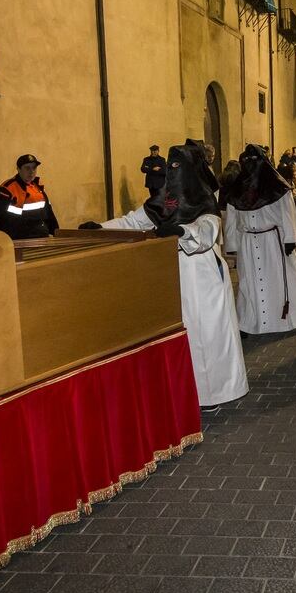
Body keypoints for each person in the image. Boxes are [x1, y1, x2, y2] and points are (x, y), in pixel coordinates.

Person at [81, 141, 247, 408]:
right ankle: (183, 392)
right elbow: (133, 221)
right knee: (181, 334)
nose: (172, 171)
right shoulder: (164, 199)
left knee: (206, 335)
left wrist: (182, 232)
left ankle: (213, 393)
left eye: (178, 166)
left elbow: (207, 231)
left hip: (201, 276)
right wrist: (100, 228)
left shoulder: (203, 198)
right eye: (171, 167)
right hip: (169, 274)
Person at [223, 145, 296, 335]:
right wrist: (232, 244)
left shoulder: (277, 186)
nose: (250, 165)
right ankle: (248, 321)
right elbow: (232, 218)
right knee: (248, 282)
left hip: (273, 241)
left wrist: (290, 238)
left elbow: (287, 213)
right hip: (247, 241)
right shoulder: (237, 188)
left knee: (278, 280)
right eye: (246, 161)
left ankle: (286, 320)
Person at [0, 154, 59, 239]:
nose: (31, 171)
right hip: (19, 238)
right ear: (18, 169)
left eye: (34, 168)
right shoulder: (8, 189)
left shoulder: (38, 187)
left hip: (41, 236)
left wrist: (56, 233)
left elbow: (49, 213)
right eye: (27, 168)